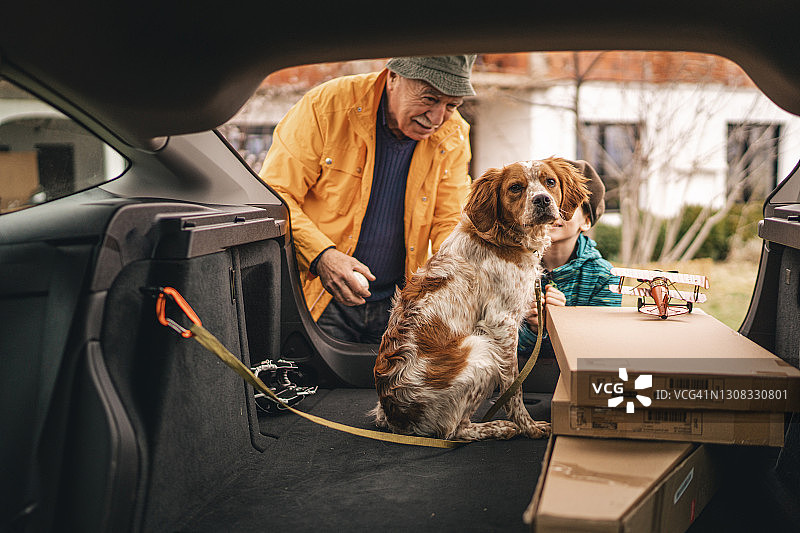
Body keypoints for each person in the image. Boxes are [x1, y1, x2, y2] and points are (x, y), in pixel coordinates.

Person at [259, 55, 476, 343]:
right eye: (429, 99)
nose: (436, 119)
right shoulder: (326, 106)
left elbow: (450, 223)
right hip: (321, 297)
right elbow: (275, 195)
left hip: (398, 304)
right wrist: (322, 256)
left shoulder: (455, 133)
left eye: (451, 106)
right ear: (393, 77)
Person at [518, 160, 621, 381]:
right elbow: (491, 343)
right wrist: (530, 329)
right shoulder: (512, 268)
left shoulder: (604, 277)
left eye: (566, 204)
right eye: (546, 201)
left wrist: (560, 324)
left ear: (587, 221)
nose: (553, 212)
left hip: (574, 384)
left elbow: (600, 348)